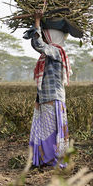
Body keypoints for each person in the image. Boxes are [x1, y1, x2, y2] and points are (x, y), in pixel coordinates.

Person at [24, 10, 71, 168]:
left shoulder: (56, 51)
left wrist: (37, 22)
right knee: (49, 131)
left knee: (51, 132)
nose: (44, 38)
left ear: (51, 37)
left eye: (45, 36)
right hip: (47, 99)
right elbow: (36, 43)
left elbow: (38, 44)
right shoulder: (50, 54)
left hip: (52, 99)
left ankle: (53, 160)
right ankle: (49, 160)